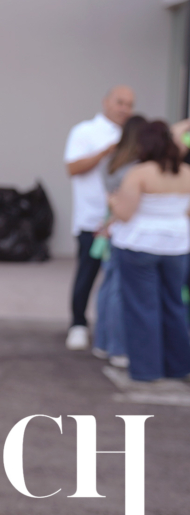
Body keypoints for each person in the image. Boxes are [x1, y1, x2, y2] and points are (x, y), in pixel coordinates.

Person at [108, 120, 190, 383]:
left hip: (140, 245)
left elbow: (125, 213)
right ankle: (178, 367)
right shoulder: (186, 173)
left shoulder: (139, 173)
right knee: (174, 305)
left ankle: (147, 369)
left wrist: (112, 200)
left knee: (142, 308)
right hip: (177, 246)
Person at [63, 86, 135, 350]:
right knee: (87, 273)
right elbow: (73, 167)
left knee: (118, 283)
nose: (125, 109)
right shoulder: (85, 131)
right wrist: (107, 151)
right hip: (92, 219)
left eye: (130, 104)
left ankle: (112, 333)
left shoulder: (133, 135)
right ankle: (78, 325)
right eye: (120, 102)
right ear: (106, 102)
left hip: (123, 221)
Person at [92, 114, 147, 368]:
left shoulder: (112, 162)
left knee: (108, 286)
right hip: (125, 229)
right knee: (119, 290)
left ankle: (103, 342)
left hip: (110, 227)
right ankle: (118, 348)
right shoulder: (137, 168)